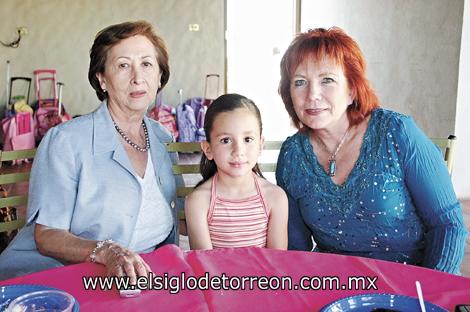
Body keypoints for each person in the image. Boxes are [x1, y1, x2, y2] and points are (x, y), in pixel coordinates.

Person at [276, 27, 468, 274]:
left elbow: (448, 225)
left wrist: (431, 294)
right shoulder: (292, 155)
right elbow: (296, 246)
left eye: (327, 80)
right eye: (300, 82)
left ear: (351, 90)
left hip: (413, 285)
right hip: (336, 288)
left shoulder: (396, 132)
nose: (312, 94)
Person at [0, 21, 178, 281]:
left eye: (147, 64)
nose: (137, 77)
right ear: (102, 78)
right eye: (123, 65)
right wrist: (106, 251)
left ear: (160, 76)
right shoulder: (65, 141)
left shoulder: (163, 138)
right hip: (64, 277)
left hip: (141, 280)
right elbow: (48, 235)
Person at [185, 94, 288, 250]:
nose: (238, 151)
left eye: (247, 139)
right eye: (226, 140)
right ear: (208, 149)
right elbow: (203, 264)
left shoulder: (276, 198)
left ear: (261, 145)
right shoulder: (198, 201)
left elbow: (278, 261)